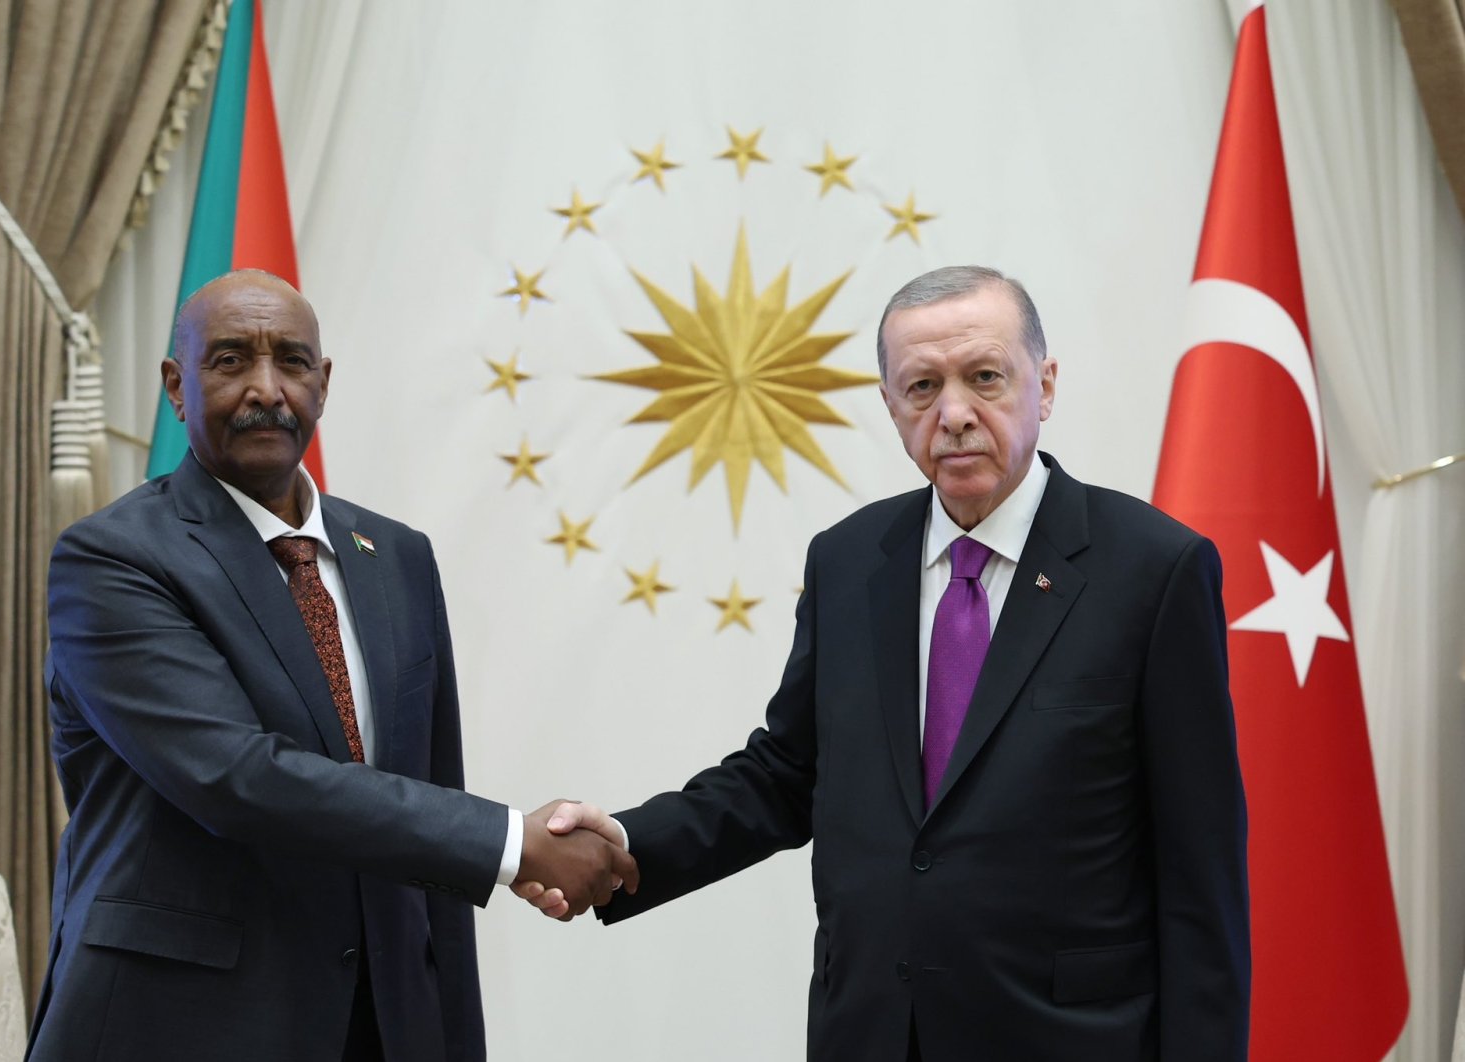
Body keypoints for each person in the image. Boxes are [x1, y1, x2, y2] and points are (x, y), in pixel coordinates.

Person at [522, 266, 1249, 1060]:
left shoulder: (1153, 568)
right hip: (870, 1033)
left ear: (1044, 385)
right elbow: (784, 775)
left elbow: (1199, 872)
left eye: (984, 378)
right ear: (889, 405)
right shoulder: (850, 560)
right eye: (923, 387)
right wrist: (627, 844)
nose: (956, 415)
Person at [27, 269, 635, 1062]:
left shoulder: (396, 557)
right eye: (231, 361)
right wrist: (511, 843)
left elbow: (426, 790)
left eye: (291, 362)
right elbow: (237, 777)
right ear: (176, 387)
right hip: (177, 1021)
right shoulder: (112, 559)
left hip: (379, 1022)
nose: (266, 389)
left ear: (324, 383)